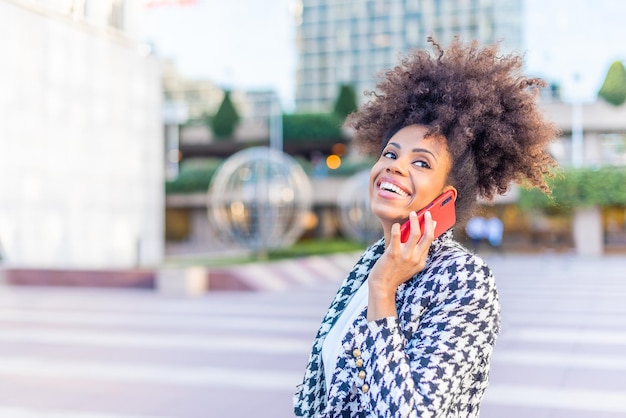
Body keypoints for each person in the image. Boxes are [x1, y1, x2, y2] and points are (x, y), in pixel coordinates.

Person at [293, 36, 559, 418]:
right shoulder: (372, 263)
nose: (395, 167)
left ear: (448, 197)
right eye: (390, 153)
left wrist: (383, 291)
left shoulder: (464, 280)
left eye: (421, 163)